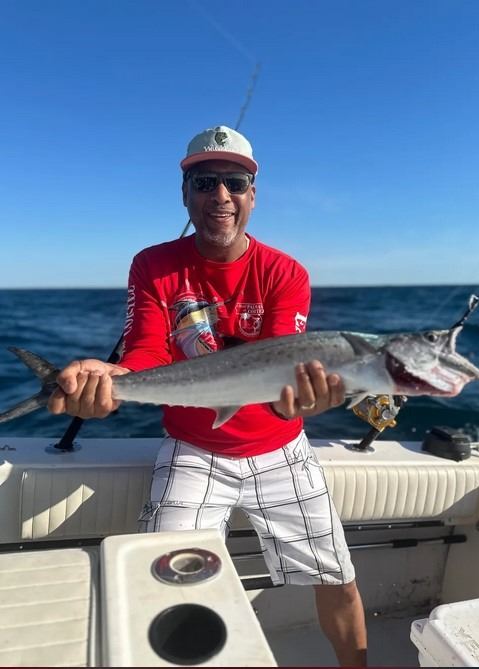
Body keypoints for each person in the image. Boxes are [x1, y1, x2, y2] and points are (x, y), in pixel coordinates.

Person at [48, 125, 367, 666]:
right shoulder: (152, 264)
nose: (220, 195)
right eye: (204, 182)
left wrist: (301, 399)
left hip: (282, 450)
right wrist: (114, 378)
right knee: (160, 582)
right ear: (185, 194)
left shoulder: (285, 272)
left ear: (252, 195)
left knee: (339, 579)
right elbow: (148, 349)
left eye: (235, 183)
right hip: (193, 449)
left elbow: (278, 367)